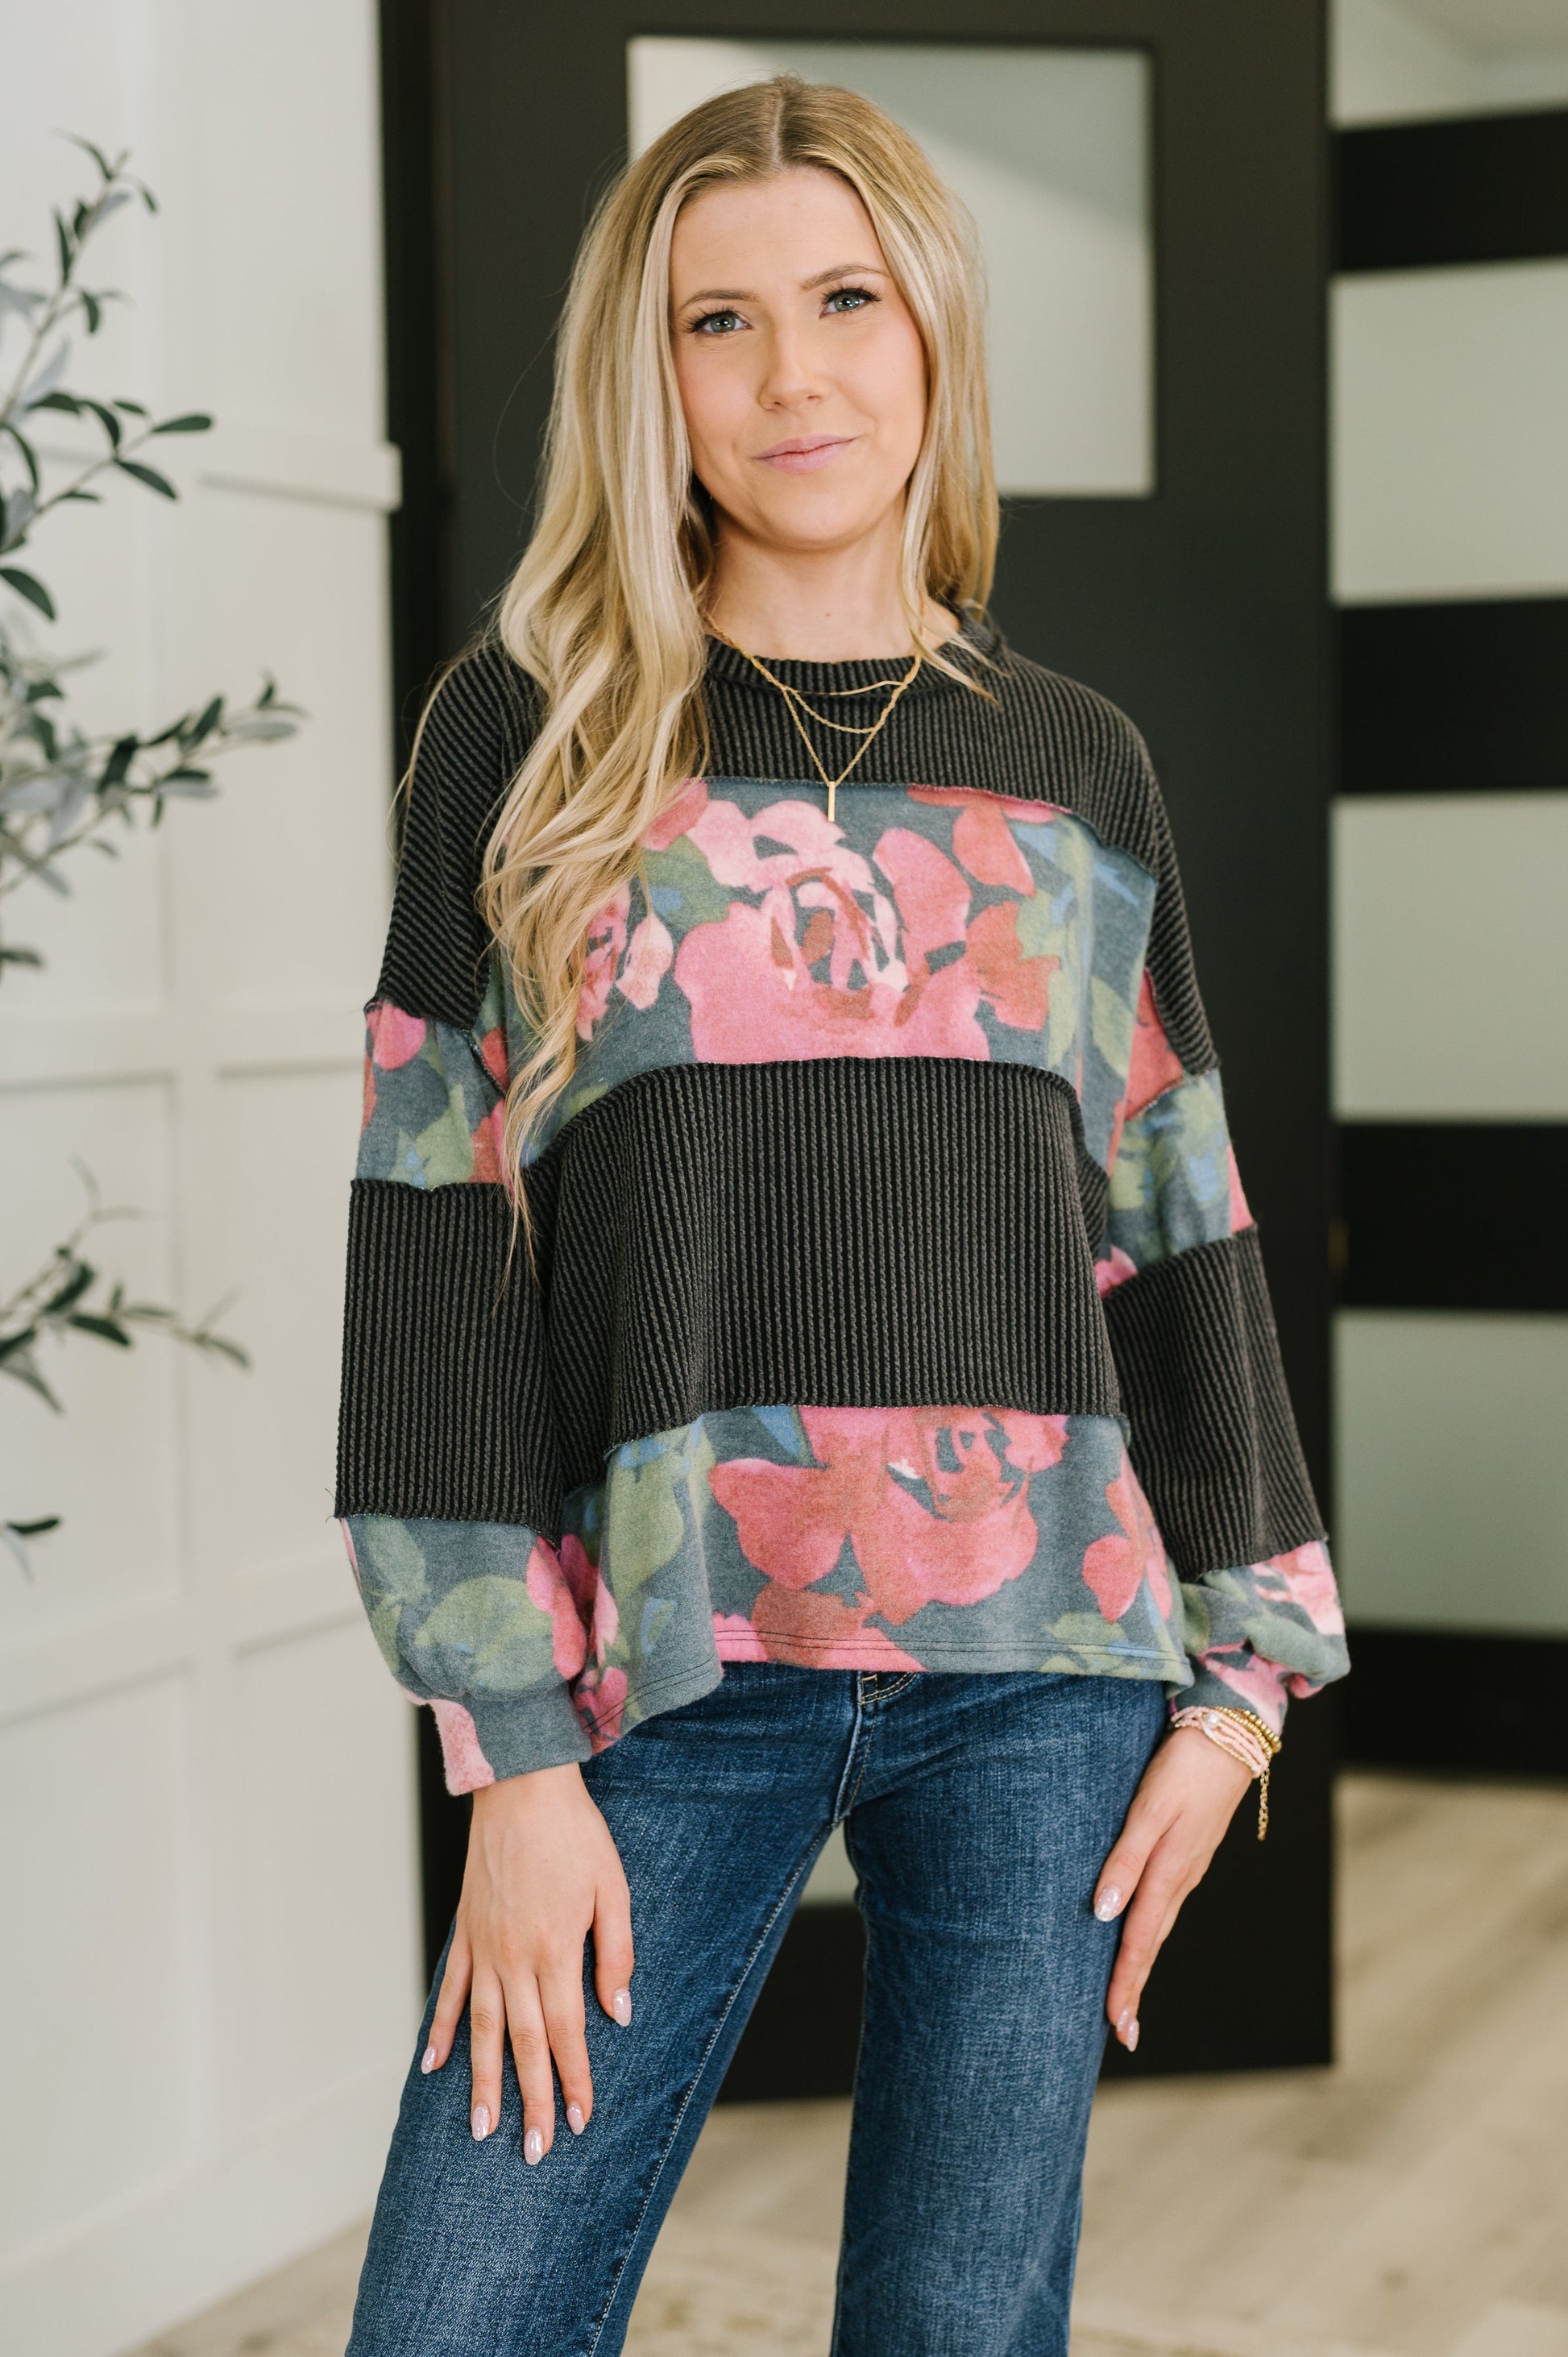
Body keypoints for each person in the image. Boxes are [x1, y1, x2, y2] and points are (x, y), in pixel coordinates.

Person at [336, 75, 1348, 2357]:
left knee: (957, 2332)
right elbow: (421, 1241)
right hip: (658, 1678)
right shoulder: (530, 734)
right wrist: (505, 1754)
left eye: (842, 302)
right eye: (717, 321)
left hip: (1043, 1688)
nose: (791, 377)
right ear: (649, 371)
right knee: (457, 2322)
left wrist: (1242, 1688)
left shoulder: (1072, 760)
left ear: (929, 337)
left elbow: (1175, 1214)